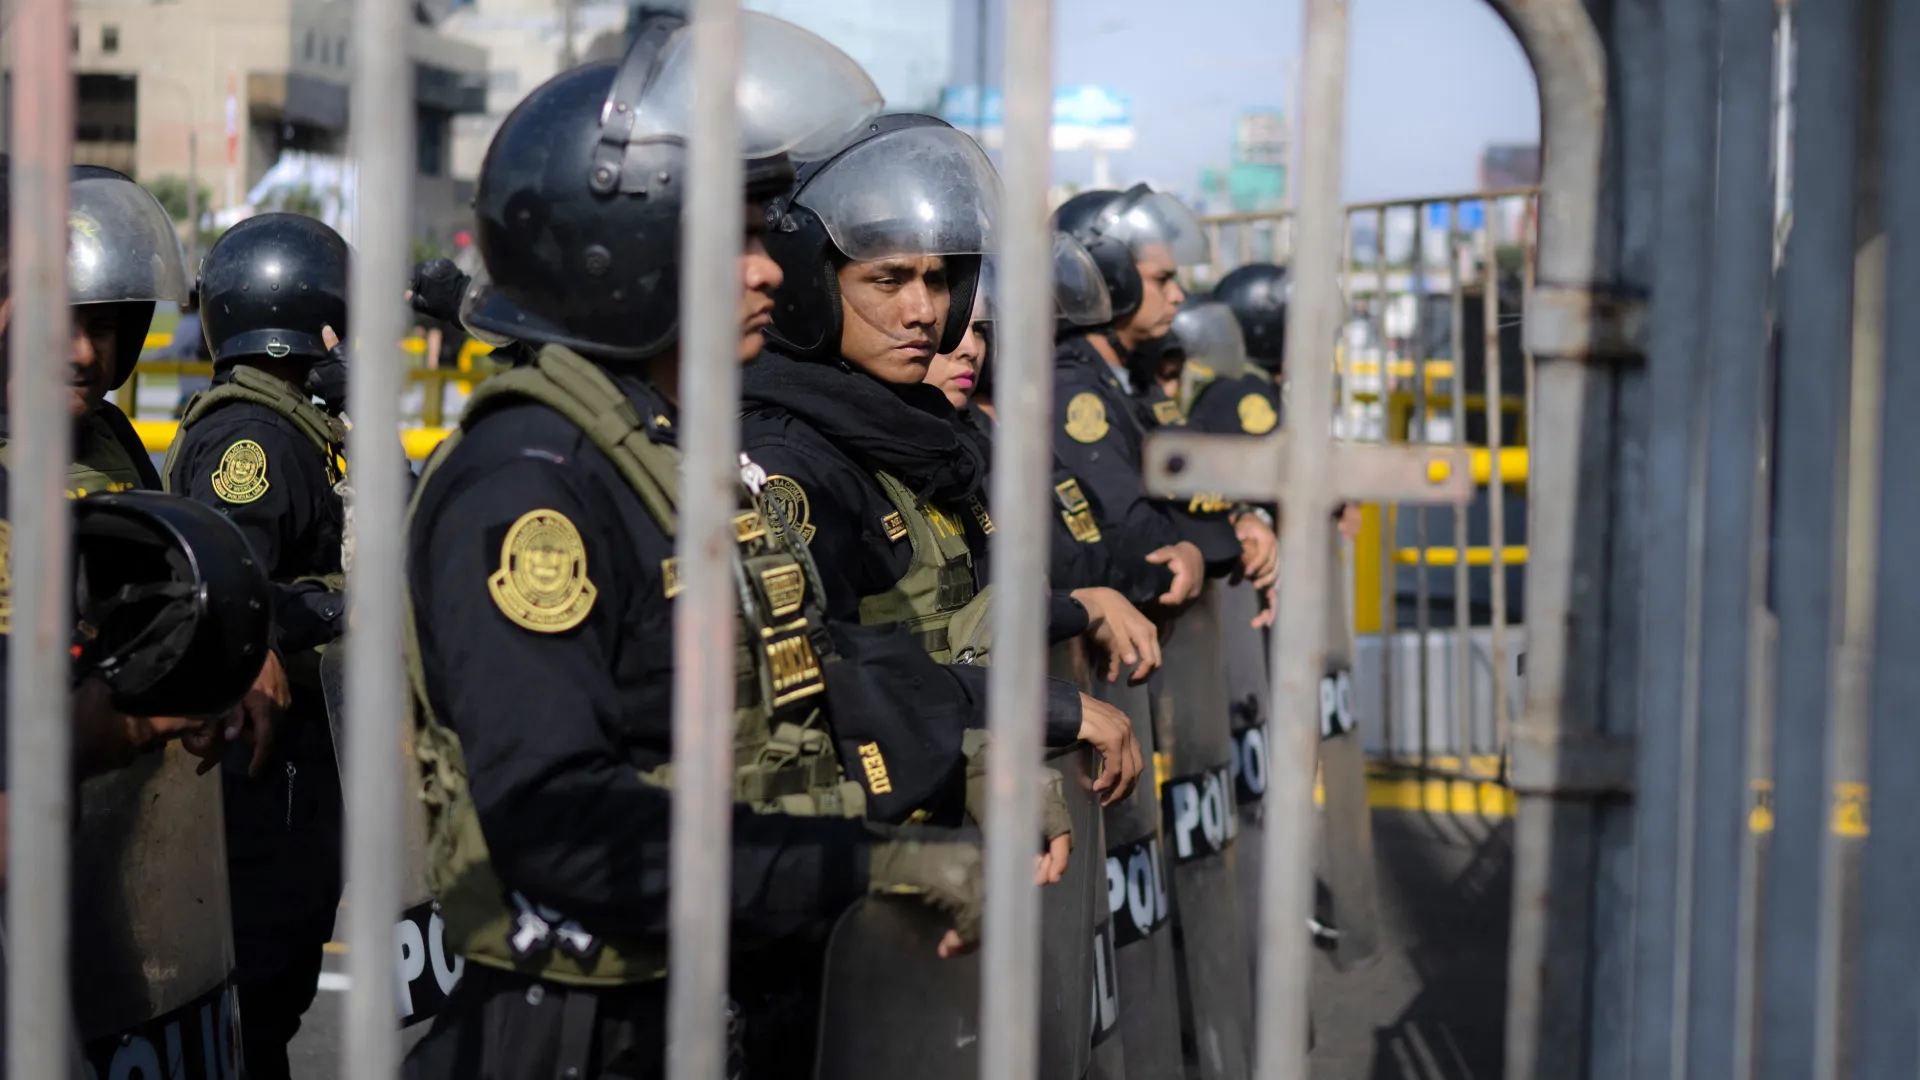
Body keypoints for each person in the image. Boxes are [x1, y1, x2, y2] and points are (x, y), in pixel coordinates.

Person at [401, 18, 1014, 1078]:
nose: (770, 270)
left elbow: (798, 668)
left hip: (702, 1000)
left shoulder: (651, 455)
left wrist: (990, 731)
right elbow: (564, 824)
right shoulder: (530, 488)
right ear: (625, 258)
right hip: (584, 1033)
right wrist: (859, 868)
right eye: (732, 238)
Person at [739, 115, 1144, 799]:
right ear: (815, 287)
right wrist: (1045, 710)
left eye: (937, 281)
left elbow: (964, 617)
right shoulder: (789, 459)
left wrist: (1074, 610)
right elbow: (823, 672)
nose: (924, 311)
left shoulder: (920, 437)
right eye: (889, 280)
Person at [161, 211, 354, 1080]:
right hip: (259, 772)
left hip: (295, 769)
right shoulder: (255, 440)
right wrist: (337, 609)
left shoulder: (294, 424)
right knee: (255, 1002)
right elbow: (235, 596)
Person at [926, 236, 1163, 685]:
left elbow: (1089, 553)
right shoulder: (947, 450)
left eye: (980, 329)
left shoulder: (989, 436)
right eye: (954, 327)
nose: (970, 349)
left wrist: (1178, 560)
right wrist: (1082, 609)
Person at [1049, 185, 1273, 611]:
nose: (1178, 296)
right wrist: (1203, 549)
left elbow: (1195, 477)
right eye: (1162, 280)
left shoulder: (1135, 379)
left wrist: (1241, 518)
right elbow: (1129, 530)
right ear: (1111, 280)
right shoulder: (1075, 390)